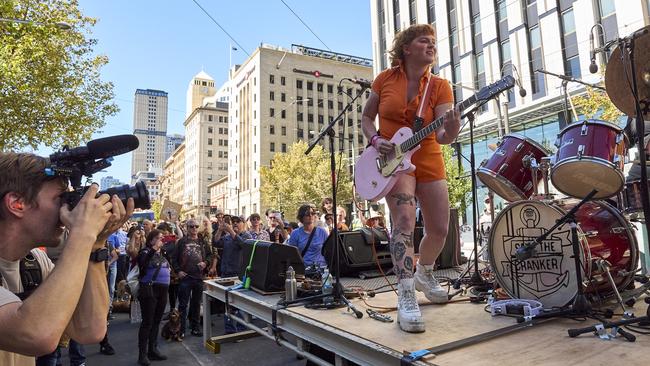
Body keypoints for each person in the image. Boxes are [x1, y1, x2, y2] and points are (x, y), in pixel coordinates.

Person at [360, 24, 460, 333]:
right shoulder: (384, 80)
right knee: (403, 221)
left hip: (428, 157)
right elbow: (366, 118)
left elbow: (443, 135)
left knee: (440, 230)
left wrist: (452, 129)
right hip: (392, 161)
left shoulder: (441, 85)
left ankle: (424, 272)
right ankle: (406, 295)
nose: (431, 46)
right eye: (424, 41)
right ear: (406, 48)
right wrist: (376, 141)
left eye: (434, 42)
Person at [0, 152, 133, 364]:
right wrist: (82, 234)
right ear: (17, 203)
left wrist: (95, 244)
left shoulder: (33, 261)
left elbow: (89, 329)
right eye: (61, 199)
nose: (69, 208)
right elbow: (36, 335)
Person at [173, 219, 215, 338]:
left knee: (196, 304)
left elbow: (209, 255)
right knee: (183, 304)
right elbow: (174, 258)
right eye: (191, 226)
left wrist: (205, 263)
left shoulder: (202, 241)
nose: (194, 229)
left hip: (198, 277)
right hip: (185, 277)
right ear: (187, 228)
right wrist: (178, 271)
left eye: (196, 226)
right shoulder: (181, 242)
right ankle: (180, 329)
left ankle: (195, 328)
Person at [136, 229, 171, 365]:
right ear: (152, 240)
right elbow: (143, 263)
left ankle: (153, 350)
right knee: (147, 322)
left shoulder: (162, 253)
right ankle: (142, 355)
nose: (162, 240)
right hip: (150, 289)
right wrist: (154, 248)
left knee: (156, 321)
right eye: (159, 238)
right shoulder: (145, 252)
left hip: (163, 290)